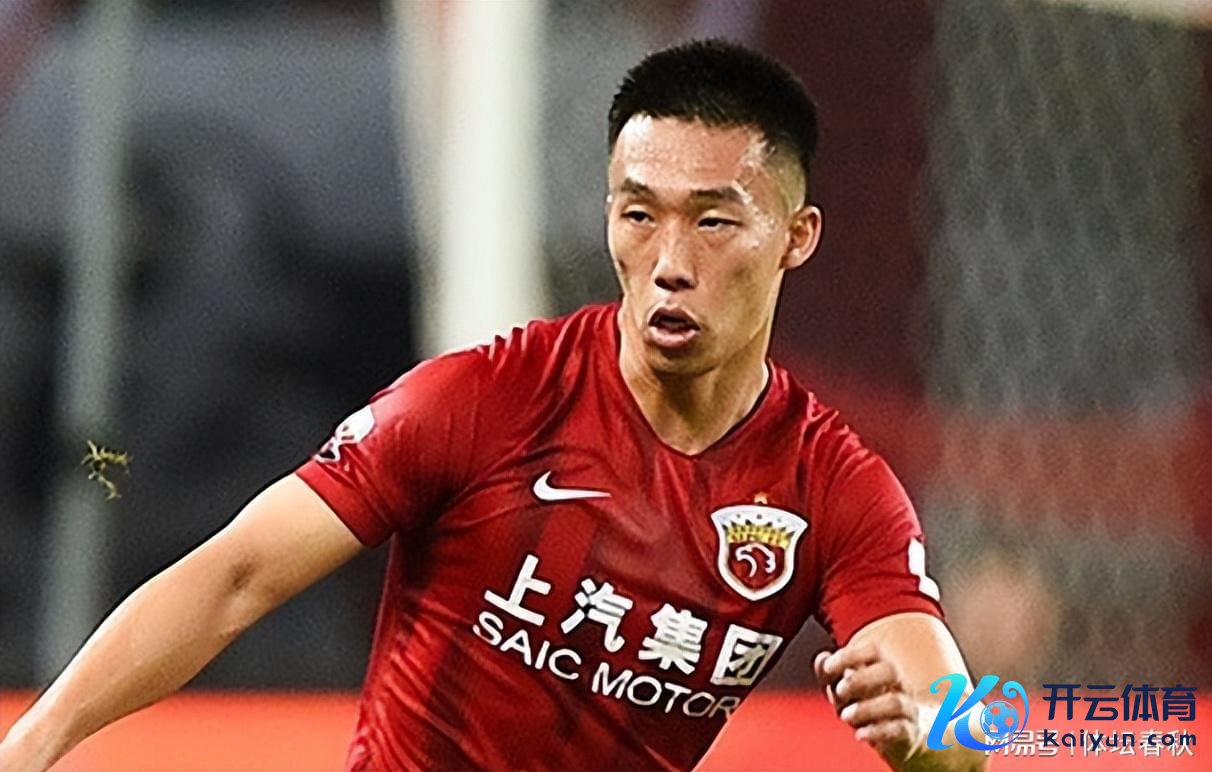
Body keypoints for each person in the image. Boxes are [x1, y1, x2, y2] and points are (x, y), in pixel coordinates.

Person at [1, 39, 986, 771]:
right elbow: (235, 576)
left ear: (796, 237)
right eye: (639, 214)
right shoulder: (484, 400)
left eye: (715, 221)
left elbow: (951, 722)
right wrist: (32, 744)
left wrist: (927, 742)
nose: (670, 263)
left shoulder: (833, 490)